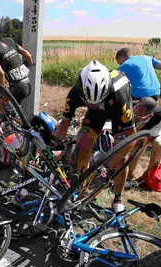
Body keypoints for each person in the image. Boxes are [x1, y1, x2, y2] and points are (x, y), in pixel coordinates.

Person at [54, 60, 136, 213]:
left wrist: (110, 161)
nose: (91, 105)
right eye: (88, 103)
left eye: (94, 102)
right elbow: (63, 126)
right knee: (82, 146)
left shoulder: (120, 94)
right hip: (97, 112)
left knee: (121, 159)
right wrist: (48, 148)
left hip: (116, 107)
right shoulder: (75, 93)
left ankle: (118, 196)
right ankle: (81, 190)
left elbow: (131, 138)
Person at [127, 97, 161, 182]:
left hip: (160, 129)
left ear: (149, 116)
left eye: (139, 117)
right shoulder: (131, 105)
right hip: (144, 125)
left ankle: (148, 176)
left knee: (141, 146)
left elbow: (144, 137)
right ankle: (127, 172)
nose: (135, 117)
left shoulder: (159, 116)